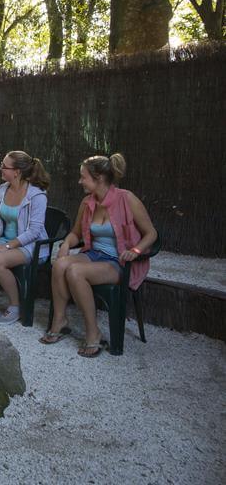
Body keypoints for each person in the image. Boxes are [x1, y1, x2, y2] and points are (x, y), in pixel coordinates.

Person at [40, 153, 156, 357]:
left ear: (99, 178)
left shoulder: (126, 199)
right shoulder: (87, 202)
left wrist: (135, 251)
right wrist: (66, 243)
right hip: (94, 254)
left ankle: (93, 332)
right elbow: (76, 233)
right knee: (59, 264)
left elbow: (151, 233)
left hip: (118, 260)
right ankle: (60, 320)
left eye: (83, 177)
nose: (79, 181)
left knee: (75, 272)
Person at [0, 151, 50, 325]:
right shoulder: (2, 189)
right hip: (4, 240)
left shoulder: (37, 195)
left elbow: (34, 231)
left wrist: (6, 247)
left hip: (30, 245)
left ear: (17, 172)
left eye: (4, 166)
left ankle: (16, 306)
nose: (0, 169)